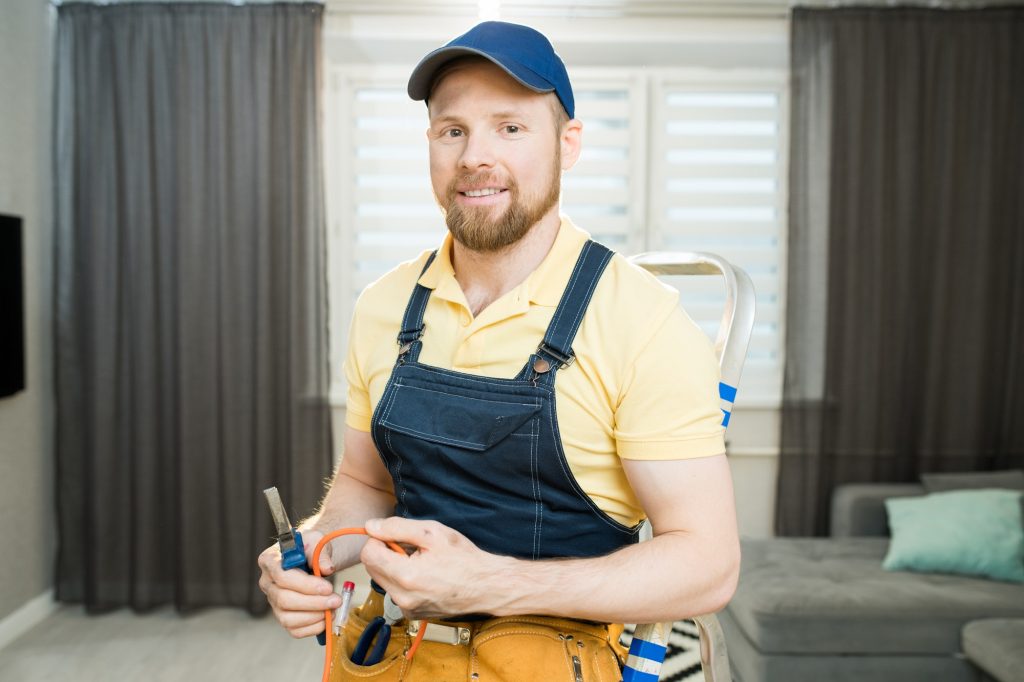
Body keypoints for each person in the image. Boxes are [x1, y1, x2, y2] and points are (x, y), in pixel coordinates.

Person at [258, 20, 740, 680]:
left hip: (552, 660)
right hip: (385, 652)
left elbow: (708, 566)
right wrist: (315, 546)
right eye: (452, 130)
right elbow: (368, 484)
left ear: (567, 144)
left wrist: (489, 585)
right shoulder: (384, 306)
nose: (473, 156)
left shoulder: (641, 320)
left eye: (510, 128)